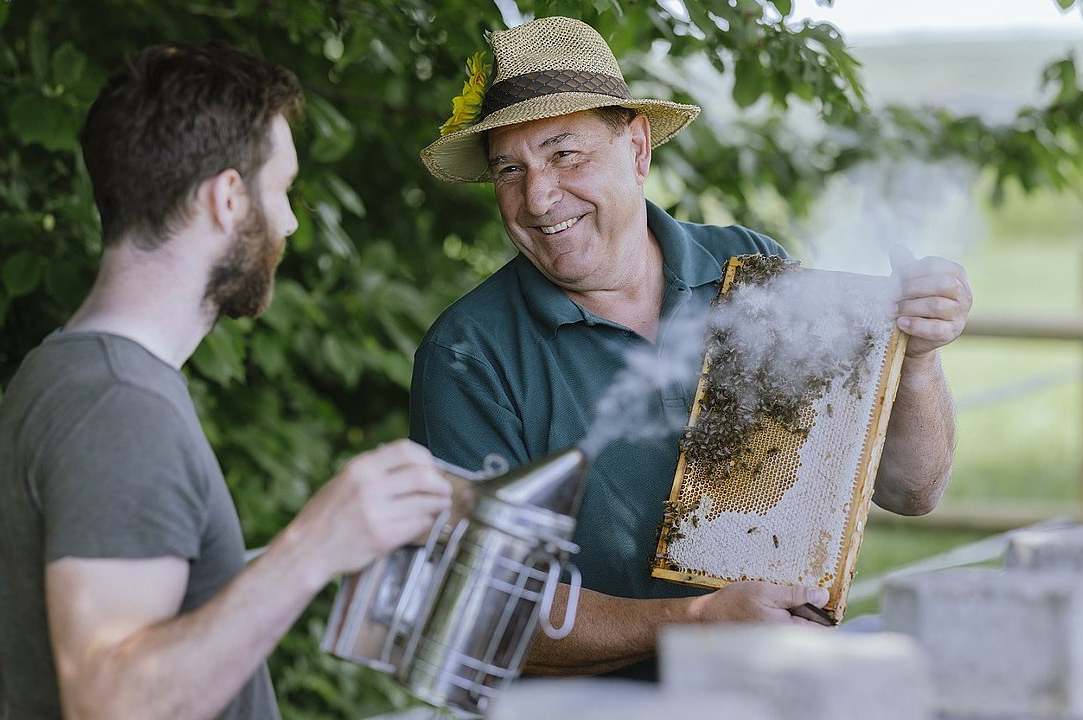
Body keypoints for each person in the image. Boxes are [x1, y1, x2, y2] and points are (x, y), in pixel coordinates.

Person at [411, 16, 972, 679]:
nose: (538, 197)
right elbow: (479, 606)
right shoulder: (469, 355)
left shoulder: (750, 269)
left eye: (565, 155)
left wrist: (917, 356)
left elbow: (912, 490)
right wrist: (698, 620)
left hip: (774, 690)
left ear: (637, 148)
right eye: (510, 169)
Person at [0, 43, 452, 720]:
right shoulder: (117, 407)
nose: (289, 222)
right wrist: (315, 545)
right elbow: (112, 704)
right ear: (227, 198)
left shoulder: (67, 371)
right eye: (281, 189)